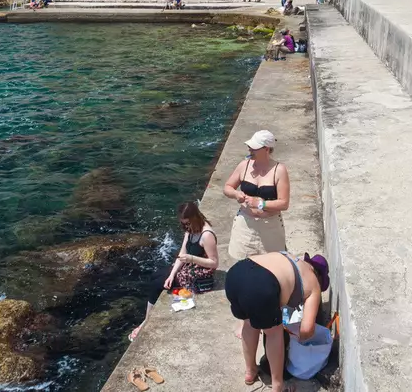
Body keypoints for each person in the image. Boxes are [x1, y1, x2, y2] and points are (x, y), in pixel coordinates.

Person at [225, 251, 328, 392]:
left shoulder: (291, 258)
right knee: (274, 332)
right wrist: (297, 339)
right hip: (261, 283)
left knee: (249, 323)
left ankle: (250, 371)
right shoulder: (313, 281)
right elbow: (307, 329)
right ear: (320, 277)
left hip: (235, 274)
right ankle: (278, 385)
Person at [132, 201, 219, 341]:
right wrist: (172, 275)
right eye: (184, 223)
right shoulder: (189, 230)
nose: (185, 226)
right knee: (157, 275)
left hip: (200, 274)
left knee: (157, 285)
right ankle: (146, 318)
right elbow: (182, 254)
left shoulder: (207, 235)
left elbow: (214, 263)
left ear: (194, 218)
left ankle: (146, 322)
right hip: (189, 265)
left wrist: (191, 258)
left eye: (187, 223)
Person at [224, 130, 291, 260]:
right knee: (243, 266)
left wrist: (260, 204)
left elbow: (284, 203)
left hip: (270, 226)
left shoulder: (279, 170)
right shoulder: (244, 165)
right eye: (250, 146)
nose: (250, 149)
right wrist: (236, 194)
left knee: (272, 266)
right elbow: (227, 187)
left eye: (254, 147)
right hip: (245, 224)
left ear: (266, 149)